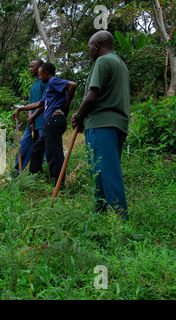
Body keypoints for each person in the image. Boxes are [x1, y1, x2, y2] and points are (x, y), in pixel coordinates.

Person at [72, 30, 130, 221]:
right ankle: (101, 212)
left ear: (97, 46)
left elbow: (92, 95)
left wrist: (79, 116)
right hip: (117, 124)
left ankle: (119, 220)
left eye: (90, 46)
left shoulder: (102, 61)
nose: (89, 51)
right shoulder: (120, 63)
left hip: (102, 124)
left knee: (107, 172)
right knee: (100, 171)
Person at [13, 62, 77, 186]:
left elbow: (72, 85)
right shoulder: (50, 90)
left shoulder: (53, 81)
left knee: (54, 153)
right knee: (37, 149)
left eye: (40, 74)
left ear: (46, 73)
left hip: (54, 121)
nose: (39, 76)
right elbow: (38, 105)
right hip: (49, 123)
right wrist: (20, 109)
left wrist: (67, 103)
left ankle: (59, 183)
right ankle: (34, 178)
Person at [11, 59, 47, 176]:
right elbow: (32, 104)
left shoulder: (45, 82)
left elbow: (45, 103)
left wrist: (34, 116)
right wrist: (30, 119)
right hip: (32, 122)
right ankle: (15, 173)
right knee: (24, 146)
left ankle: (41, 174)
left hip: (43, 121)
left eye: (33, 67)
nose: (30, 69)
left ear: (41, 68)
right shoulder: (34, 85)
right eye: (30, 67)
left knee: (43, 149)